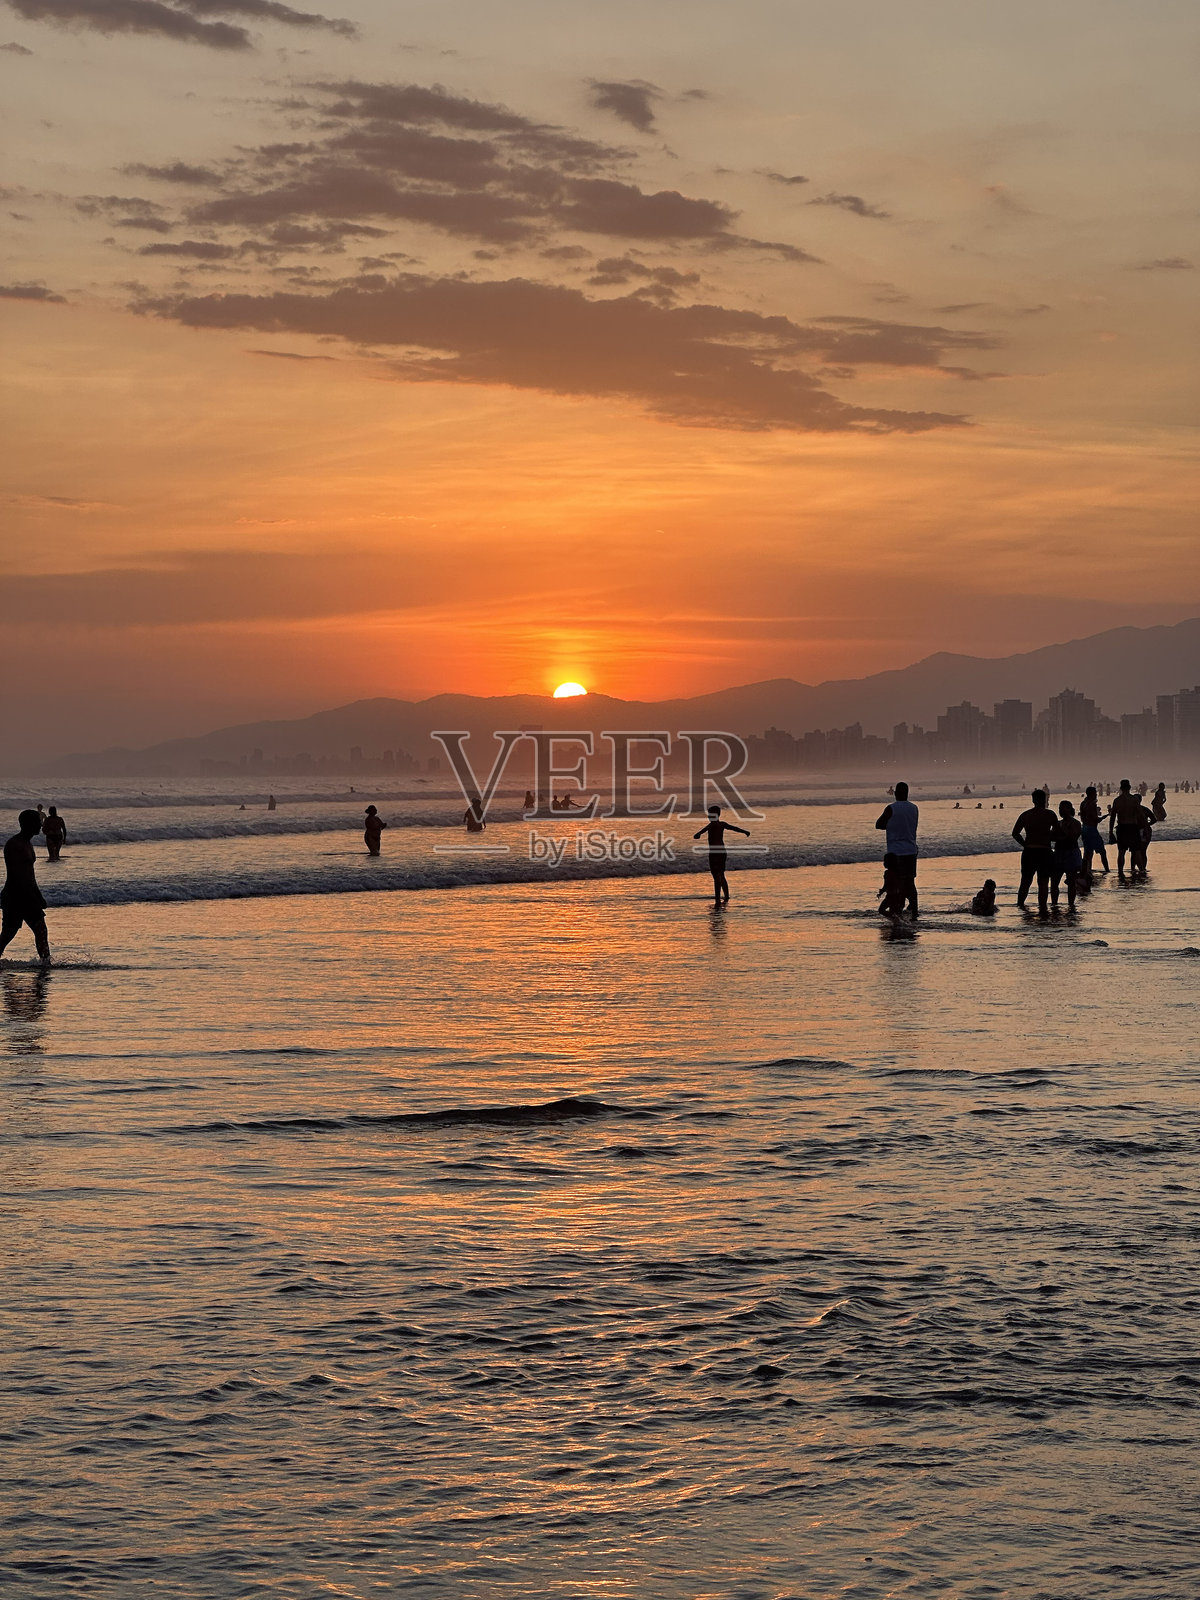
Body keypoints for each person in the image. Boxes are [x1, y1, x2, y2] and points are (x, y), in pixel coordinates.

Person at [0, 811, 51, 965]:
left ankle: (45, 963)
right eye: (37, 822)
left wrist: (38, 896)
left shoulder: (28, 843)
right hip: (15, 895)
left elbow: (30, 874)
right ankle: (45, 963)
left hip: (27, 894)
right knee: (9, 932)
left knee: (40, 929)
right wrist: (31, 897)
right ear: (27, 824)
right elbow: (18, 875)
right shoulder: (15, 844)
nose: (41, 825)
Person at [875, 780, 919, 917]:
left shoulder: (891, 808)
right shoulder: (914, 808)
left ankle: (897, 911)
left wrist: (891, 825)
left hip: (896, 852)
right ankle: (914, 911)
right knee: (910, 883)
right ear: (907, 793)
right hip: (911, 850)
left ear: (895, 793)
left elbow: (879, 824)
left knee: (897, 883)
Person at [1012, 790, 1058, 914]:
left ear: (1033, 800)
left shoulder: (1026, 815)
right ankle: (1042, 908)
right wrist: (1048, 836)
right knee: (1043, 882)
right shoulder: (1050, 814)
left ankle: (1020, 906)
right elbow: (1058, 832)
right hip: (1044, 851)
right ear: (1045, 799)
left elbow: (1015, 833)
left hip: (1029, 851)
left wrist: (1025, 844)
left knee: (1025, 881)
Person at [693, 804, 749, 906]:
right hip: (722, 852)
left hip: (714, 853)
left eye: (710, 815)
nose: (709, 817)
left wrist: (698, 834)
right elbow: (734, 828)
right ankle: (726, 896)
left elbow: (702, 831)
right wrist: (744, 831)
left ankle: (718, 899)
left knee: (716, 876)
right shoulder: (722, 824)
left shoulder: (712, 825)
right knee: (721, 875)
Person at [1108, 779, 1145, 879]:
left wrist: (1110, 832)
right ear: (1129, 788)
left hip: (1122, 827)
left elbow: (1112, 818)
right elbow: (1141, 815)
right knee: (1137, 851)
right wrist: (1145, 827)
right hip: (1132, 827)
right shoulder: (1134, 800)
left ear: (1121, 788)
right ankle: (1142, 871)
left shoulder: (1117, 801)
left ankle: (1120, 872)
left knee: (1121, 852)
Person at [1050, 800, 1083, 909]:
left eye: (1062, 808)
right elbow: (1051, 837)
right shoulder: (1058, 823)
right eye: (1059, 809)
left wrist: (1061, 833)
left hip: (1071, 853)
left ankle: (1071, 904)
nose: (1060, 811)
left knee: (1071, 881)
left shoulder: (1076, 823)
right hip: (1059, 852)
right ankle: (1054, 903)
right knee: (1054, 881)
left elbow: (1073, 837)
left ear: (1069, 809)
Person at [1080, 786, 1109, 874]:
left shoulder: (1083, 803)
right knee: (1102, 852)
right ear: (1092, 794)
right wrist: (1103, 817)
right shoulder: (1091, 804)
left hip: (1084, 829)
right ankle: (1107, 870)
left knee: (1088, 852)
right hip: (1091, 830)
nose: (1096, 795)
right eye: (1095, 793)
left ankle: (1086, 870)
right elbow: (1094, 819)